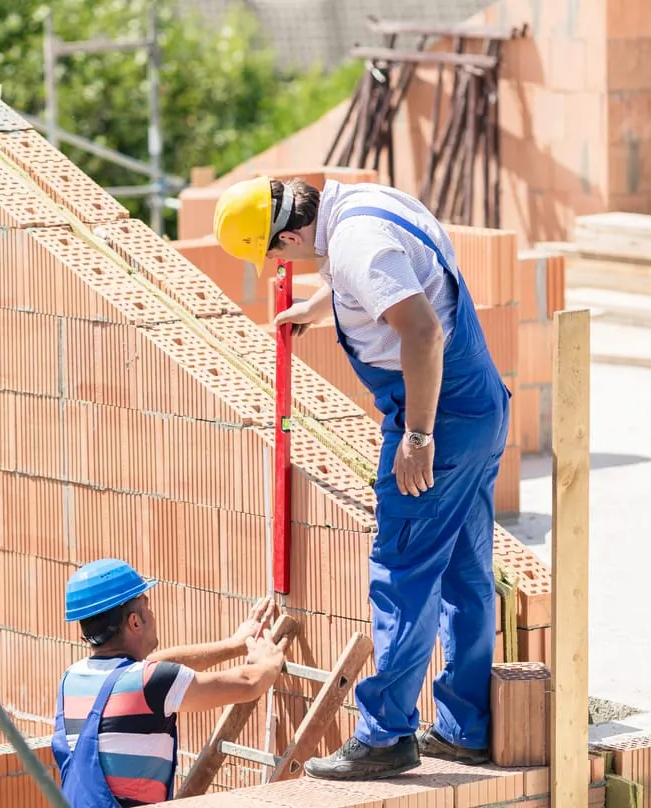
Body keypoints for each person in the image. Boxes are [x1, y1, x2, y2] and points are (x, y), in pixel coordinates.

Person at [211, 176, 510, 781]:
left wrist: (418, 438)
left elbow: (422, 332)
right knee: (465, 572)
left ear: (291, 233)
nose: (278, 262)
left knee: (403, 571)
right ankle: (466, 729)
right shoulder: (362, 204)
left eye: (274, 251)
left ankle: (386, 735)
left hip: (439, 417)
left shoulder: (354, 244)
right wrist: (317, 308)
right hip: (477, 407)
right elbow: (393, 278)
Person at [51, 558, 291, 806]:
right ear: (135, 622)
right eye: (147, 608)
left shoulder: (72, 679)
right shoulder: (150, 681)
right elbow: (249, 682)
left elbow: (151, 667)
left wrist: (232, 646)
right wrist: (269, 661)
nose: (152, 615)